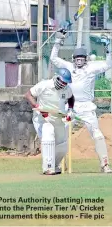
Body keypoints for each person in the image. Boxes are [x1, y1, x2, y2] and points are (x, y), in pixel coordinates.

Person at [50, 29, 112, 173]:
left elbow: (108, 64)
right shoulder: (69, 67)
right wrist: (58, 41)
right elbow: (54, 59)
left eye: (82, 58)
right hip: (70, 106)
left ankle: (104, 165)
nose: (79, 61)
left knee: (97, 135)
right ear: (73, 59)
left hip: (87, 107)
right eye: (77, 59)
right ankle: (55, 165)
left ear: (86, 59)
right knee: (62, 137)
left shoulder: (91, 68)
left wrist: (108, 47)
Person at [26, 68, 75, 175]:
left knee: (63, 145)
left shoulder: (67, 89)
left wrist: (70, 110)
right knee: (48, 133)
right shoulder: (44, 85)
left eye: (66, 82)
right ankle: (47, 167)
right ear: (57, 77)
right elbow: (28, 94)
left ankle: (55, 165)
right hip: (42, 117)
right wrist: (37, 106)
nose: (63, 84)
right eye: (62, 81)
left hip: (57, 118)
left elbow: (71, 98)